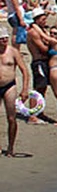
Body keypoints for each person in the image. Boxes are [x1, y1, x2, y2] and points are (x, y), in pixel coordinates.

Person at [0, 27, 29, 157]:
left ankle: (11, 147)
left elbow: (24, 71)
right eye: (1, 39)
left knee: (11, 118)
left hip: (9, 86)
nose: (4, 40)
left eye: (6, 38)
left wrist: (25, 89)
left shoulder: (13, 52)